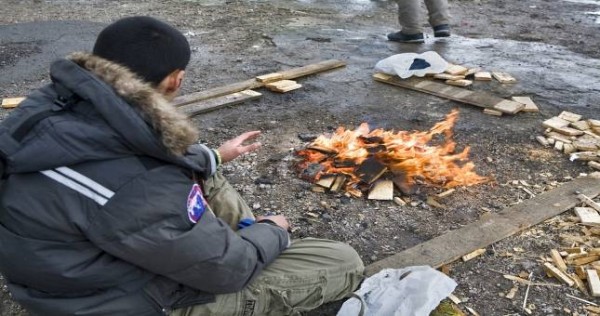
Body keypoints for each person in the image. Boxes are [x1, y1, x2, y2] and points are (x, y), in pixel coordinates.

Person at [0, 16, 364, 316]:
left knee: (210, 176)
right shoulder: (138, 184)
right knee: (340, 259)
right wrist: (273, 230)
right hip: (119, 302)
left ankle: (226, 241)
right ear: (176, 80)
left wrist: (216, 157)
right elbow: (226, 271)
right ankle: (245, 244)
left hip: (66, 272)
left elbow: (146, 157)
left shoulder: (48, 108)